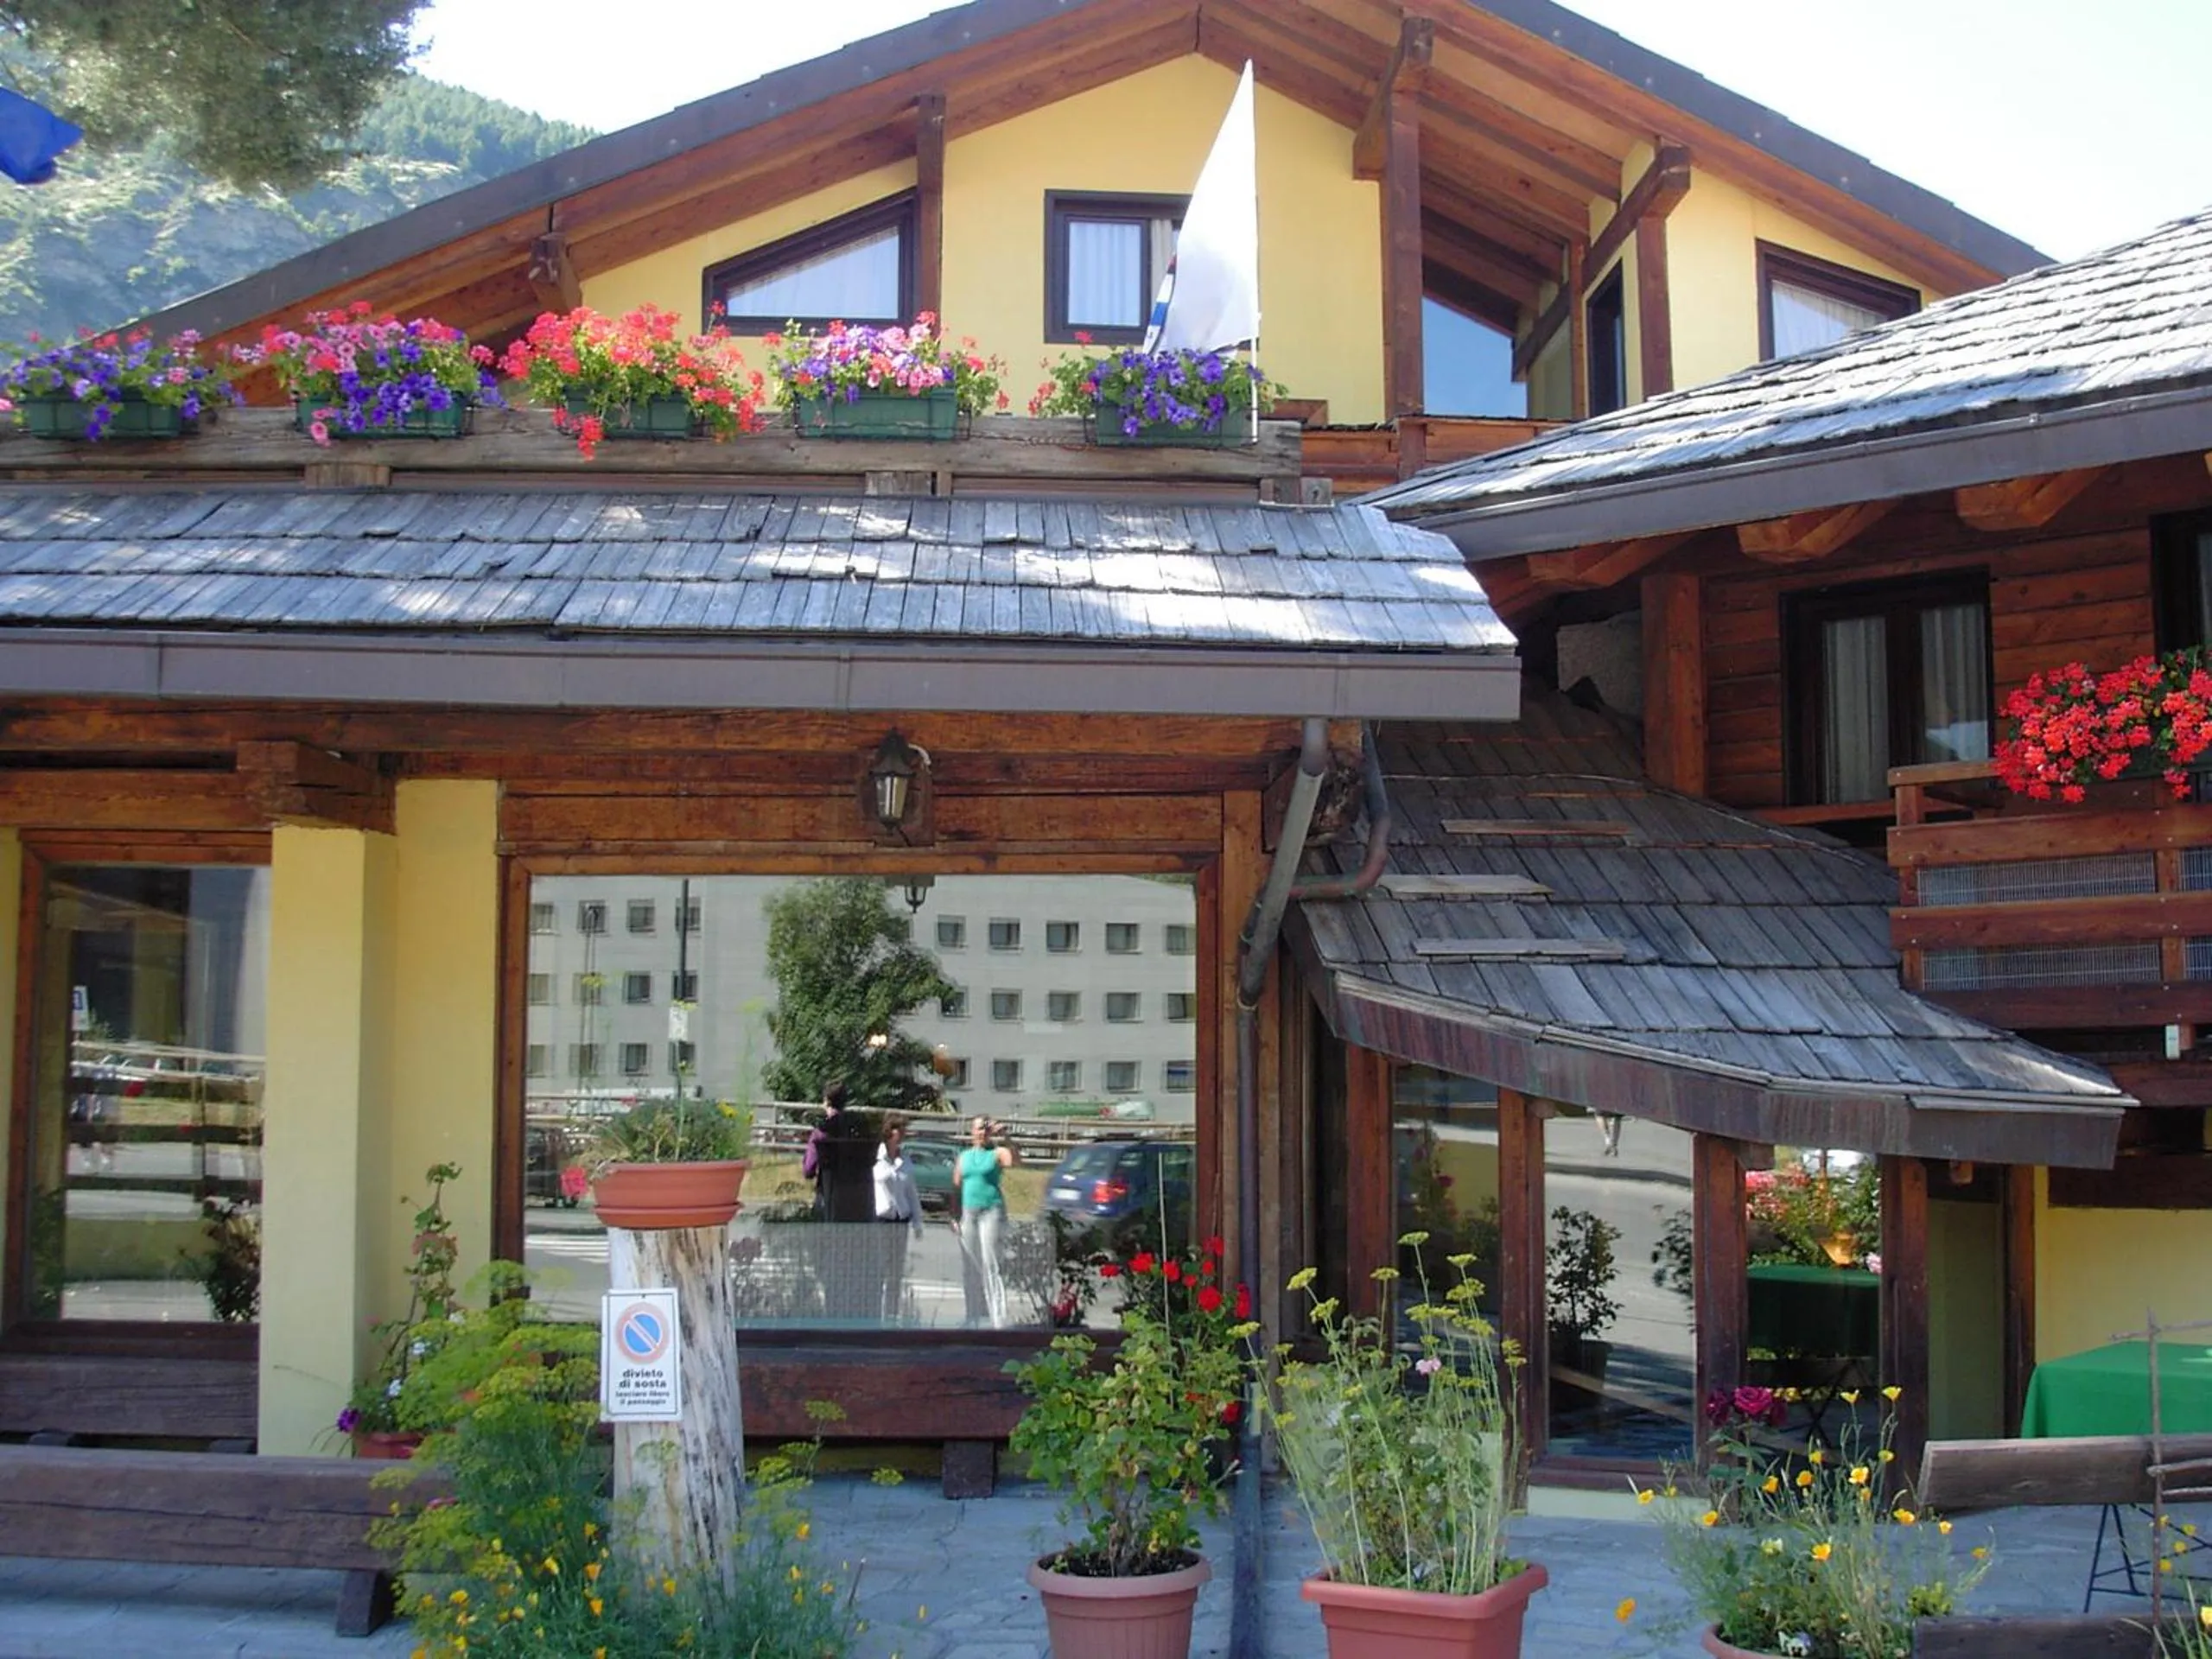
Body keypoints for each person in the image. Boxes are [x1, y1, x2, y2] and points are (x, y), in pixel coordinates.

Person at [952, 1114, 1015, 1330]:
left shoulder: (996, 1153)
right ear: (972, 1131)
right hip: (968, 1213)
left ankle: (999, 1319)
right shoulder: (964, 1156)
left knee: (990, 1263)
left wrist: (1005, 1137)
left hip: (990, 1211)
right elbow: (956, 1186)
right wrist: (953, 1216)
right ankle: (972, 1316)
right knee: (970, 1266)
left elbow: (1013, 1160)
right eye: (978, 1128)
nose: (982, 1133)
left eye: (985, 1129)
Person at [871, 1117, 925, 1325]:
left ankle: (892, 1314)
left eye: (903, 1131)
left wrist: (918, 1221)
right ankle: (877, 1313)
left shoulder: (905, 1160)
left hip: (900, 1219)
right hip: (882, 1219)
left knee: (896, 1270)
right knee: (881, 1267)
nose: (901, 1135)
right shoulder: (876, 1159)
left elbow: (911, 1192)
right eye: (897, 1130)